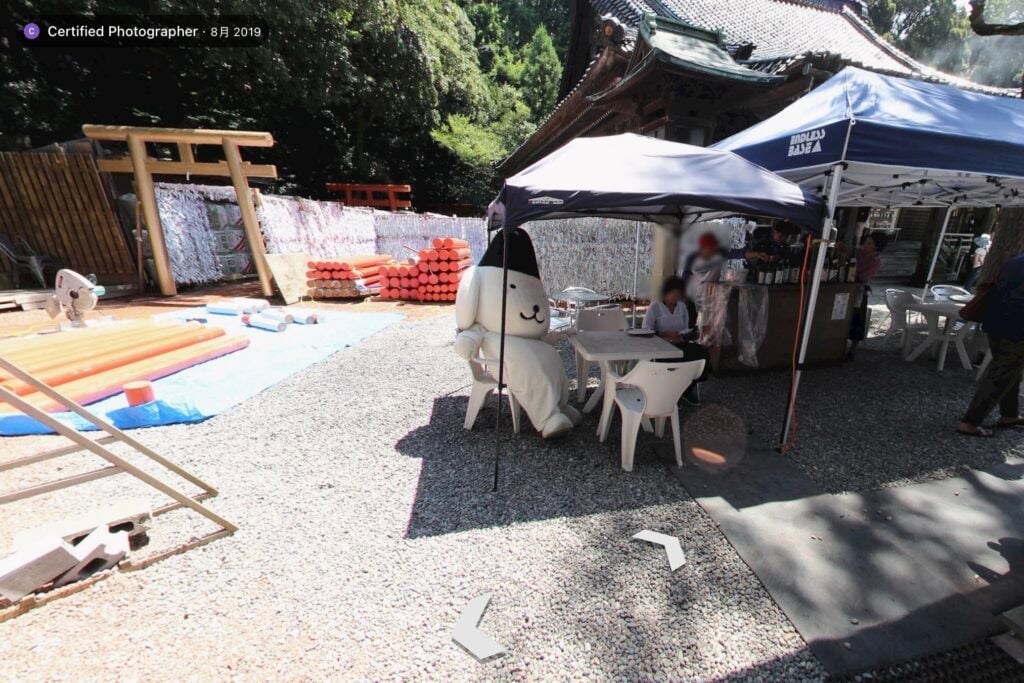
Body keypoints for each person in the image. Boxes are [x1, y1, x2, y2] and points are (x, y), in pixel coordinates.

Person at [957, 253, 1024, 437]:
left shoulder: (1014, 261)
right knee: (1001, 374)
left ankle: (1009, 414)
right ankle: (970, 422)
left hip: (996, 323)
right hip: (1017, 328)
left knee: (1011, 370)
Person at [643, 276, 710, 405]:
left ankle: (686, 390)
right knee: (675, 361)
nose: (675, 297)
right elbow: (645, 331)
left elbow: (685, 329)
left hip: (679, 344)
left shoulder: (681, 307)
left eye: (678, 294)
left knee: (702, 355)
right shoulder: (655, 307)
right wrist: (663, 333)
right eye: (672, 294)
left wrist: (684, 335)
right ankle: (670, 392)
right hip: (660, 346)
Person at [838, 232, 888, 359]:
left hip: (860, 291)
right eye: (866, 241)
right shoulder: (858, 252)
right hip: (848, 287)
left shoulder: (876, 261)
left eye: (870, 243)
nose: (866, 244)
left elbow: (863, 277)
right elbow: (847, 250)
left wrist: (852, 271)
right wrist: (840, 246)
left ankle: (852, 350)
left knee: (857, 320)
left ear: (876, 247)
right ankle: (838, 345)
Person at [680, 232, 727, 319]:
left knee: (711, 319)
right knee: (697, 319)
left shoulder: (719, 255)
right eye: (710, 247)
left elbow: (736, 253)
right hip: (698, 294)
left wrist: (749, 254)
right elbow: (686, 276)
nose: (713, 250)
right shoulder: (693, 259)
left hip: (713, 294)